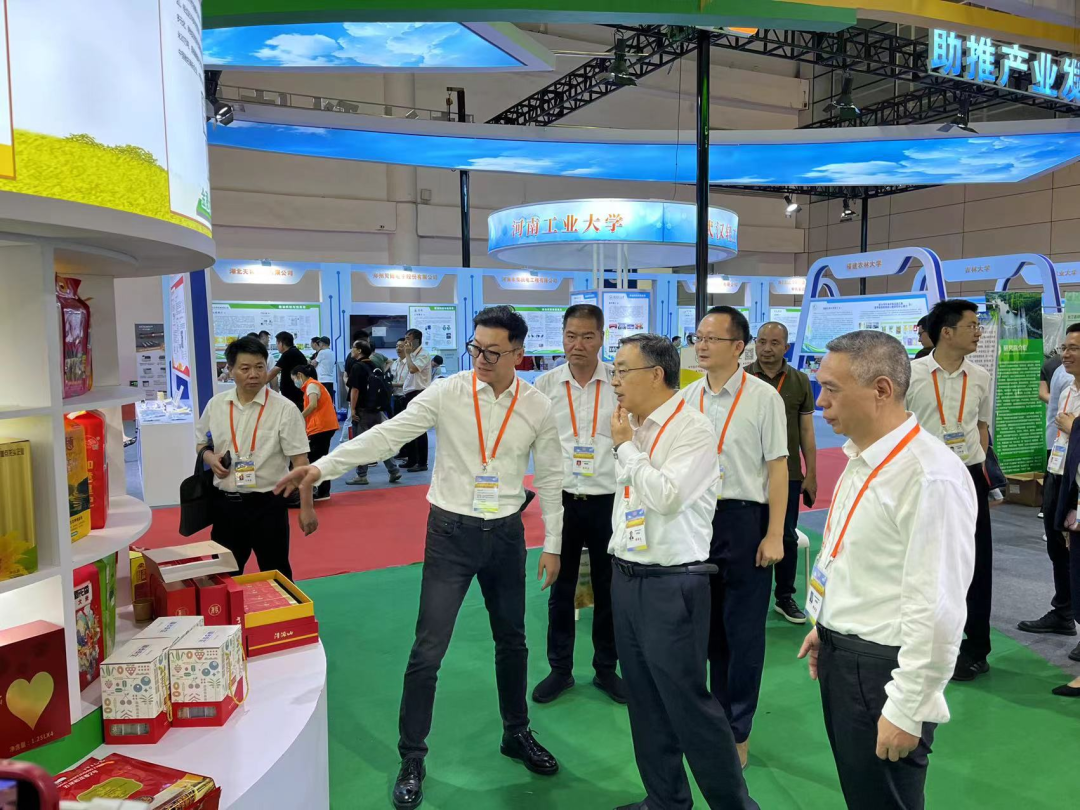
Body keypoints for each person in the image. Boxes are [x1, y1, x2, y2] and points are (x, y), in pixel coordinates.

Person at [275, 305, 565, 810]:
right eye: (476, 348)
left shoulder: (537, 405)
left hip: (505, 535)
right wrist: (323, 468)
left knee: (512, 641)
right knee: (428, 650)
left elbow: (553, 477)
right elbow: (388, 434)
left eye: (493, 352)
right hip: (450, 534)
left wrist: (555, 544)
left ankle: (516, 732)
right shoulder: (449, 392)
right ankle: (413, 756)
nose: (481, 359)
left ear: (519, 355)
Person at [797, 330, 976, 809]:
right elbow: (858, 559)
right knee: (863, 794)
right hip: (846, 653)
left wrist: (909, 706)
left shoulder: (928, 476)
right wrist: (828, 622)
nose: (821, 401)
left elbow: (937, 606)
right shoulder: (863, 457)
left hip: (884, 670)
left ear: (881, 389)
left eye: (831, 389)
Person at [607, 333, 758, 810]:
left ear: (656, 374)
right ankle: (665, 799)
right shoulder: (633, 426)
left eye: (622, 370)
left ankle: (734, 805)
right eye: (614, 371)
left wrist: (625, 450)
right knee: (644, 699)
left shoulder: (692, 428)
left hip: (672, 583)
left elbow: (667, 496)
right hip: (626, 576)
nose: (615, 381)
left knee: (689, 704)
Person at [681, 306, 788, 768]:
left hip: (745, 521)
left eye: (712, 338)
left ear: (738, 347)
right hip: (696, 520)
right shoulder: (687, 397)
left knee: (742, 633)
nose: (701, 346)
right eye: (698, 337)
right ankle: (710, 720)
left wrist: (775, 534)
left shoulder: (763, 398)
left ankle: (738, 728)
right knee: (704, 631)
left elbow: (777, 468)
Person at [532, 304, 624, 705]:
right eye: (571, 336)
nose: (578, 344)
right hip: (564, 502)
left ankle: (606, 669)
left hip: (609, 502)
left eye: (587, 336)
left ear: (602, 338)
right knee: (561, 588)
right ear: (562, 337)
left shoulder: (620, 382)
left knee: (610, 589)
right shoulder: (545, 385)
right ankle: (560, 670)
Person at [905, 299, 994, 682]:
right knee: (923, 560)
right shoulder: (911, 374)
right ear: (946, 332)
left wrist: (977, 468)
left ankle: (975, 649)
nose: (979, 332)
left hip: (968, 477)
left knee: (976, 563)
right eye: (972, 325)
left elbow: (982, 427)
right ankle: (924, 643)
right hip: (922, 477)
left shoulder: (981, 376)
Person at [195, 336, 318, 581]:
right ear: (230, 370)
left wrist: (307, 507)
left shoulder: (285, 409)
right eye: (245, 368)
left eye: (259, 367)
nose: (254, 374)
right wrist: (210, 457)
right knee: (223, 577)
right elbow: (201, 443)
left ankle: (282, 608)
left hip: (268, 505)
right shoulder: (216, 405)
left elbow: (300, 462)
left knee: (276, 573)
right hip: (225, 505)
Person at [749, 321, 818, 624]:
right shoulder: (743, 376)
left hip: (788, 473)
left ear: (786, 347)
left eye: (774, 343)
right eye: (761, 341)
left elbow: (806, 430)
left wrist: (811, 473)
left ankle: (784, 597)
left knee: (786, 536)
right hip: (749, 471)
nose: (766, 348)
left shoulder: (799, 380)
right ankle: (752, 596)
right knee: (749, 534)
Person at [1020, 322, 1080, 642]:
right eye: (1064, 348)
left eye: (1074, 348)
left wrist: (1074, 428)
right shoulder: (1068, 388)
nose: (1065, 354)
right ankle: (1064, 611)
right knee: (1058, 544)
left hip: (1078, 482)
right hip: (1059, 471)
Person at [345, 341, 402, 486]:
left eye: (353, 348)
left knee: (361, 443)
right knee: (380, 441)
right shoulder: (374, 365)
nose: (352, 350)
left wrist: (353, 409)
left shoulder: (357, 367)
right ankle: (393, 470)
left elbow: (355, 389)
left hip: (362, 410)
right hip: (376, 409)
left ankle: (361, 475)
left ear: (359, 351)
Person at [292, 364, 339, 502]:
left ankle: (321, 491)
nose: (295, 382)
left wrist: (299, 417)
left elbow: (312, 405)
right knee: (319, 459)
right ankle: (322, 490)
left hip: (320, 428)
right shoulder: (314, 385)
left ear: (299, 375)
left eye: (294, 379)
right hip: (324, 427)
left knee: (315, 460)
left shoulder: (312, 386)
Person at [400, 328, 433, 473]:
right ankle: (412, 459)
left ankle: (422, 462)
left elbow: (413, 369)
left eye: (408, 338)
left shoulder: (423, 354)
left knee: (419, 430)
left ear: (416, 340)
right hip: (409, 394)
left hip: (419, 394)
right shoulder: (413, 354)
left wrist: (407, 354)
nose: (405, 342)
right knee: (409, 429)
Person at [266, 331, 307, 411]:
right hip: (296, 393)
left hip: (294, 395)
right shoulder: (294, 352)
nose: (277, 346)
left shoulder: (288, 354)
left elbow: (273, 372)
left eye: (277, 343)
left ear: (282, 343)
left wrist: (260, 383)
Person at [314, 336, 336, 404]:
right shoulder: (332, 352)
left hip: (322, 380)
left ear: (322, 343)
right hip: (330, 380)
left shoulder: (322, 352)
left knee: (322, 401)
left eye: (319, 343)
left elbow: (314, 363)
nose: (319, 344)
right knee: (329, 400)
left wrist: (310, 362)